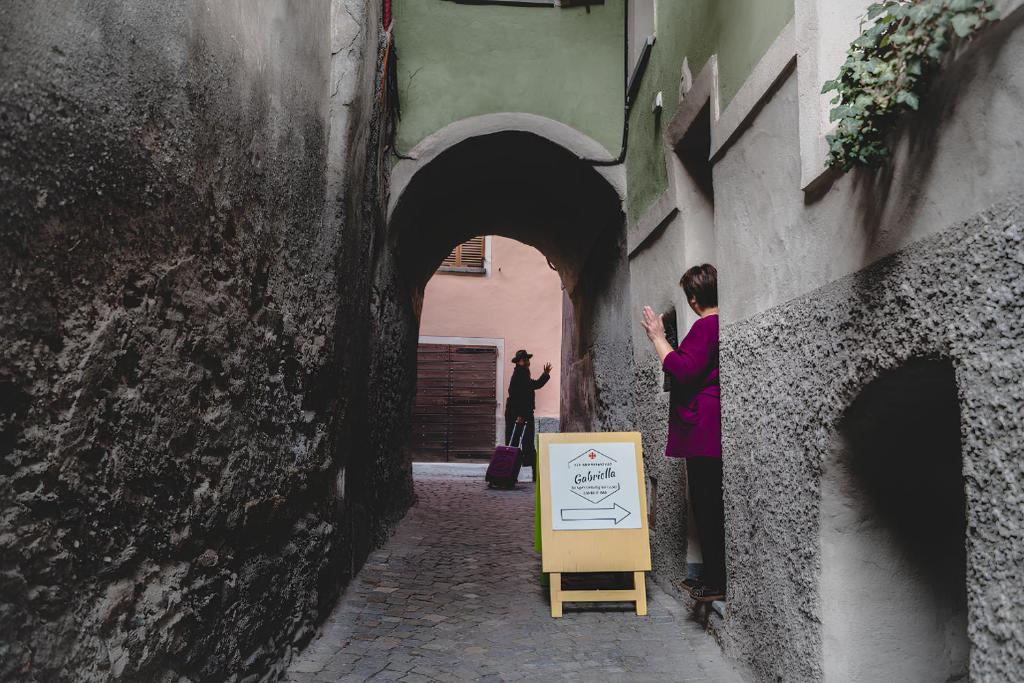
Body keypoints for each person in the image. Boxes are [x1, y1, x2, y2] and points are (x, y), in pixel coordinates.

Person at [640, 263, 725, 601]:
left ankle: (716, 581)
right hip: (709, 425)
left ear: (693, 299)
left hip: (702, 427)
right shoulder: (720, 324)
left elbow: (683, 370)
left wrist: (658, 339)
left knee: (706, 504)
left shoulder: (706, 326)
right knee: (708, 503)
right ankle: (713, 577)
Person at [505, 349, 552, 482]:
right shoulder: (519, 374)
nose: (527, 362)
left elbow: (534, 385)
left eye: (527, 359)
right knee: (514, 445)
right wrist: (519, 414)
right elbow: (514, 394)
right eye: (524, 360)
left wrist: (545, 374)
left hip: (523, 414)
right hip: (518, 415)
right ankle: (509, 475)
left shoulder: (523, 374)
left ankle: (534, 476)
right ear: (519, 362)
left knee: (525, 445)